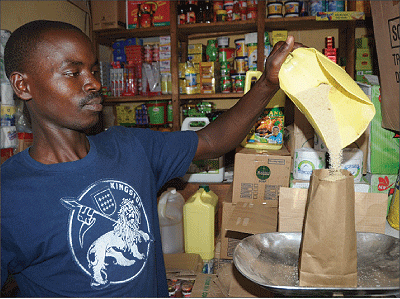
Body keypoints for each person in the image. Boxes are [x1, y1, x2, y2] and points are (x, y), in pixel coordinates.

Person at [1, 20, 303, 297]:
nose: (93, 83)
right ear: (22, 85)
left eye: (93, 70)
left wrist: (267, 83)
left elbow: (212, 140)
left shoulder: (129, 147)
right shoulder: (9, 195)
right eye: (73, 72)